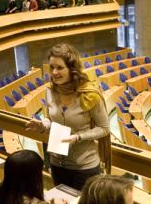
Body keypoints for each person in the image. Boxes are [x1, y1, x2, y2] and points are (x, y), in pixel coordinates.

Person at [26, 43, 110, 190]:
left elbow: (104, 129)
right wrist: (43, 125)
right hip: (57, 163)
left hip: (84, 166)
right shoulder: (50, 92)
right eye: (52, 67)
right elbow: (50, 121)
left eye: (60, 67)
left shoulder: (90, 95)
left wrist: (77, 137)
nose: (54, 72)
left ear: (72, 69)